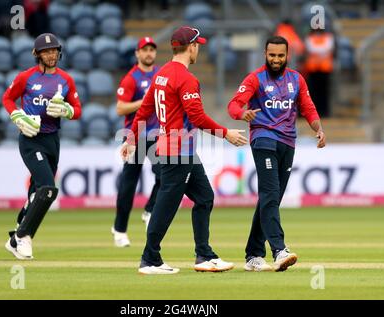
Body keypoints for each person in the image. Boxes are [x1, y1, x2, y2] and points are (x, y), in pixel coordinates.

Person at [121, 26, 247, 275]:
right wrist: (227, 133)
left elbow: (145, 108)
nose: (198, 48)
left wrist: (130, 138)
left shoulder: (161, 74)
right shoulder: (186, 78)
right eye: (197, 44)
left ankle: (204, 255)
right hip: (177, 150)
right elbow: (198, 118)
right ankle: (150, 260)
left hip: (176, 148)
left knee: (204, 197)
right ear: (191, 47)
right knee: (166, 205)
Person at [228, 36, 326, 272]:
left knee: (270, 198)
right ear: (265, 53)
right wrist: (243, 114)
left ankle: (253, 255)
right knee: (271, 194)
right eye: (272, 55)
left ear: (287, 55)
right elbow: (233, 105)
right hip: (263, 139)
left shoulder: (296, 79)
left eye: (280, 56)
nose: (276, 59)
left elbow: (308, 107)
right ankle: (279, 250)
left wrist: (318, 129)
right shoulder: (255, 79)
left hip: (287, 142)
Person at [2, 33, 82, 260]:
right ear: (37, 54)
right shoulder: (25, 77)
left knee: (35, 194)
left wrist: (67, 111)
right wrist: (17, 115)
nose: (51, 54)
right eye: (46, 51)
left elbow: (78, 110)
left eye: (54, 50)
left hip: (52, 140)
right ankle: (24, 236)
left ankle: (13, 239)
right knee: (48, 188)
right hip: (30, 139)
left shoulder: (66, 80)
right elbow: (7, 98)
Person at [112, 36, 161, 247]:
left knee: (165, 174)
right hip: (134, 134)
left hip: (157, 134)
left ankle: (150, 209)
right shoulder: (131, 78)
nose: (149, 53)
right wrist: (145, 102)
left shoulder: (161, 75)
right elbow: (120, 108)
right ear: (137, 54)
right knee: (129, 185)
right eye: (145, 50)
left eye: (152, 49)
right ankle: (120, 230)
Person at [303, 29, 335, 117]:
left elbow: (327, 48)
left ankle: (324, 112)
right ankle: (314, 112)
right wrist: (322, 52)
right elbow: (312, 49)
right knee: (313, 92)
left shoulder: (328, 37)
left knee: (324, 92)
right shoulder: (310, 38)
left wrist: (318, 52)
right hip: (312, 69)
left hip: (325, 69)